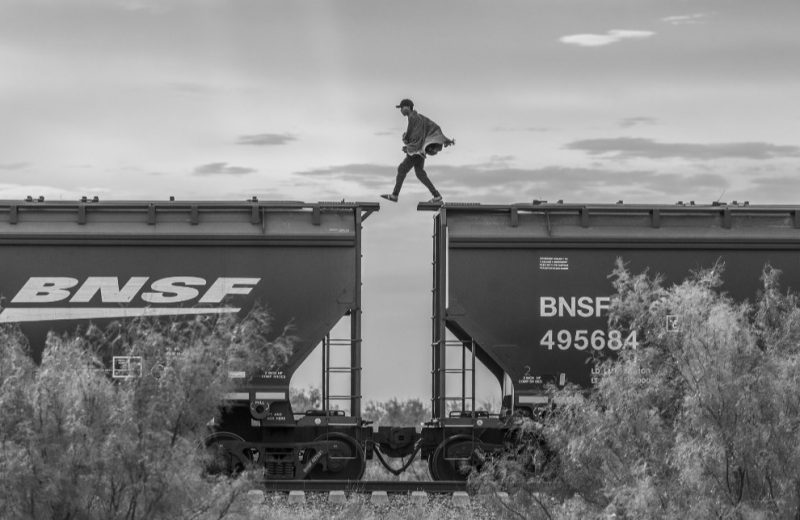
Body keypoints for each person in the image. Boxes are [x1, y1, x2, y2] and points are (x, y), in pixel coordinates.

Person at [381, 99, 455, 203]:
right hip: (419, 150)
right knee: (420, 173)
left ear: (407, 107)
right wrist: (408, 143)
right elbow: (417, 135)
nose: (401, 110)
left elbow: (417, 136)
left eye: (401, 108)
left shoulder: (414, 117)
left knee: (402, 169)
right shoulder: (416, 117)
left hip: (417, 151)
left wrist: (409, 148)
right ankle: (437, 196)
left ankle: (394, 195)